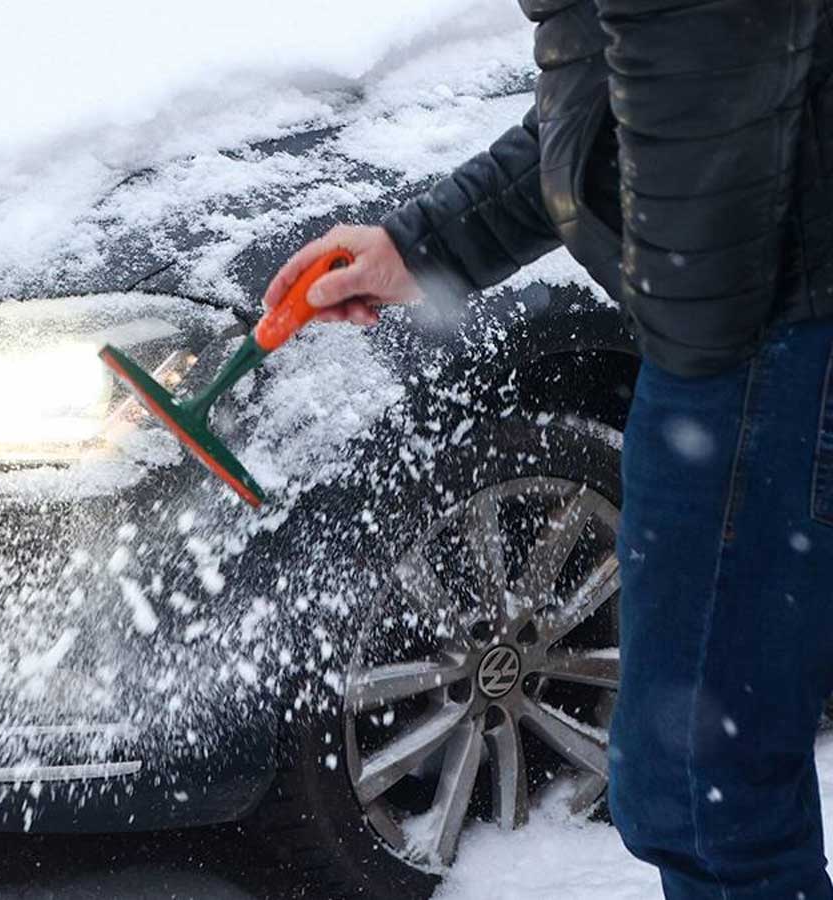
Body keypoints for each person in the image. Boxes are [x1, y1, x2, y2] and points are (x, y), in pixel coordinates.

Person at [264, 1, 833, 897]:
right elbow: (622, 105)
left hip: (763, 336)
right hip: (746, 332)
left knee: (701, 795)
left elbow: (700, 136)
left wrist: (705, 393)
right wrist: (425, 245)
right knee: (700, 787)